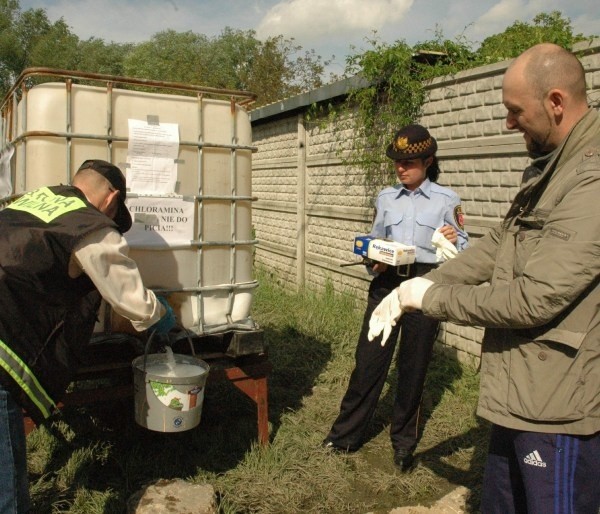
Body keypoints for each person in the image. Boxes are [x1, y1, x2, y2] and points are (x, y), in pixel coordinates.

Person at [385, 44, 600, 512]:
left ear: (556, 103)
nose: (507, 123)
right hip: (522, 390)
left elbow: (533, 300)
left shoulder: (592, 177)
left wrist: (432, 297)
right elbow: (501, 242)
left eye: (514, 111)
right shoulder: (553, 163)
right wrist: (415, 286)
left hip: (559, 408)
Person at [0, 159, 175, 513]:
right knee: (6, 473)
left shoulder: (33, 200)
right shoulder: (90, 225)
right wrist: (161, 314)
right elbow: (134, 303)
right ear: (111, 199)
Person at [323, 124, 468, 471]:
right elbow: (374, 242)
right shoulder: (385, 198)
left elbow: (463, 250)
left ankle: (403, 444)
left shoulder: (447, 200)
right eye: (397, 162)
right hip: (387, 286)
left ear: (428, 160)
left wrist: (451, 238)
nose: (401, 168)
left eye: (410, 161)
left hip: (425, 285)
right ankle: (344, 436)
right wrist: (372, 261)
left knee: (413, 368)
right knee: (369, 361)